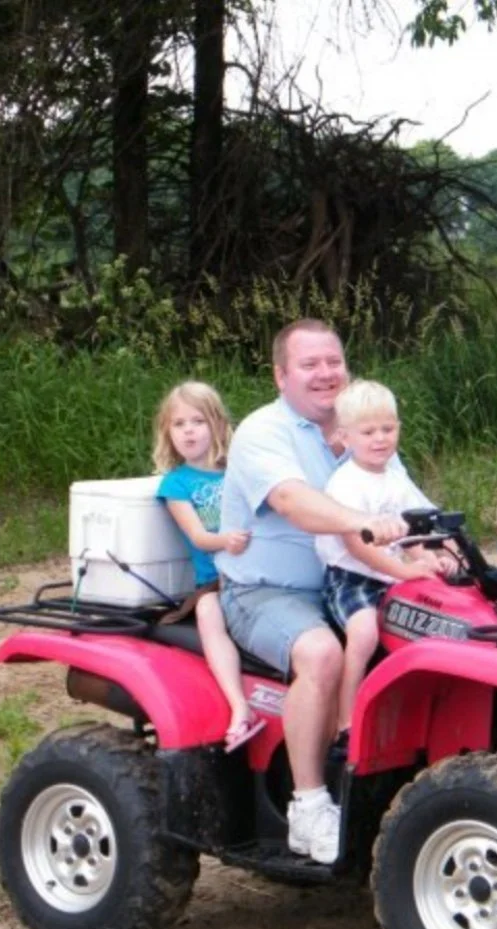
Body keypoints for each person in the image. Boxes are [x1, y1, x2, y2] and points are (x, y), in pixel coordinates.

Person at [216, 320, 407, 866]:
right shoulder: (263, 434)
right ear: (281, 376)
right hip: (265, 592)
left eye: (334, 361)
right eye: (310, 364)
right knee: (321, 652)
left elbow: (401, 502)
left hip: (350, 582)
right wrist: (363, 523)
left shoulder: (363, 430)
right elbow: (294, 502)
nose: (326, 374)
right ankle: (309, 806)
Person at [314, 380, 455, 751]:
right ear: (345, 437)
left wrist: (432, 557)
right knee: (364, 632)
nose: (380, 439)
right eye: (368, 431)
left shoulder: (395, 479)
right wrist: (406, 570)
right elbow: (358, 547)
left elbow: (418, 528)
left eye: (387, 429)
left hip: (389, 573)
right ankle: (345, 716)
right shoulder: (346, 483)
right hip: (352, 578)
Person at [152, 381, 260, 753]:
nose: (189, 431)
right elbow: (198, 537)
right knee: (208, 612)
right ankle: (238, 706)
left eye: (198, 421)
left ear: (216, 424)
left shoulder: (239, 472)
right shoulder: (176, 483)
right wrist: (227, 540)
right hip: (214, 579)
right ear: (168, 432)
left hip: (256, 569)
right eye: (179, 424)